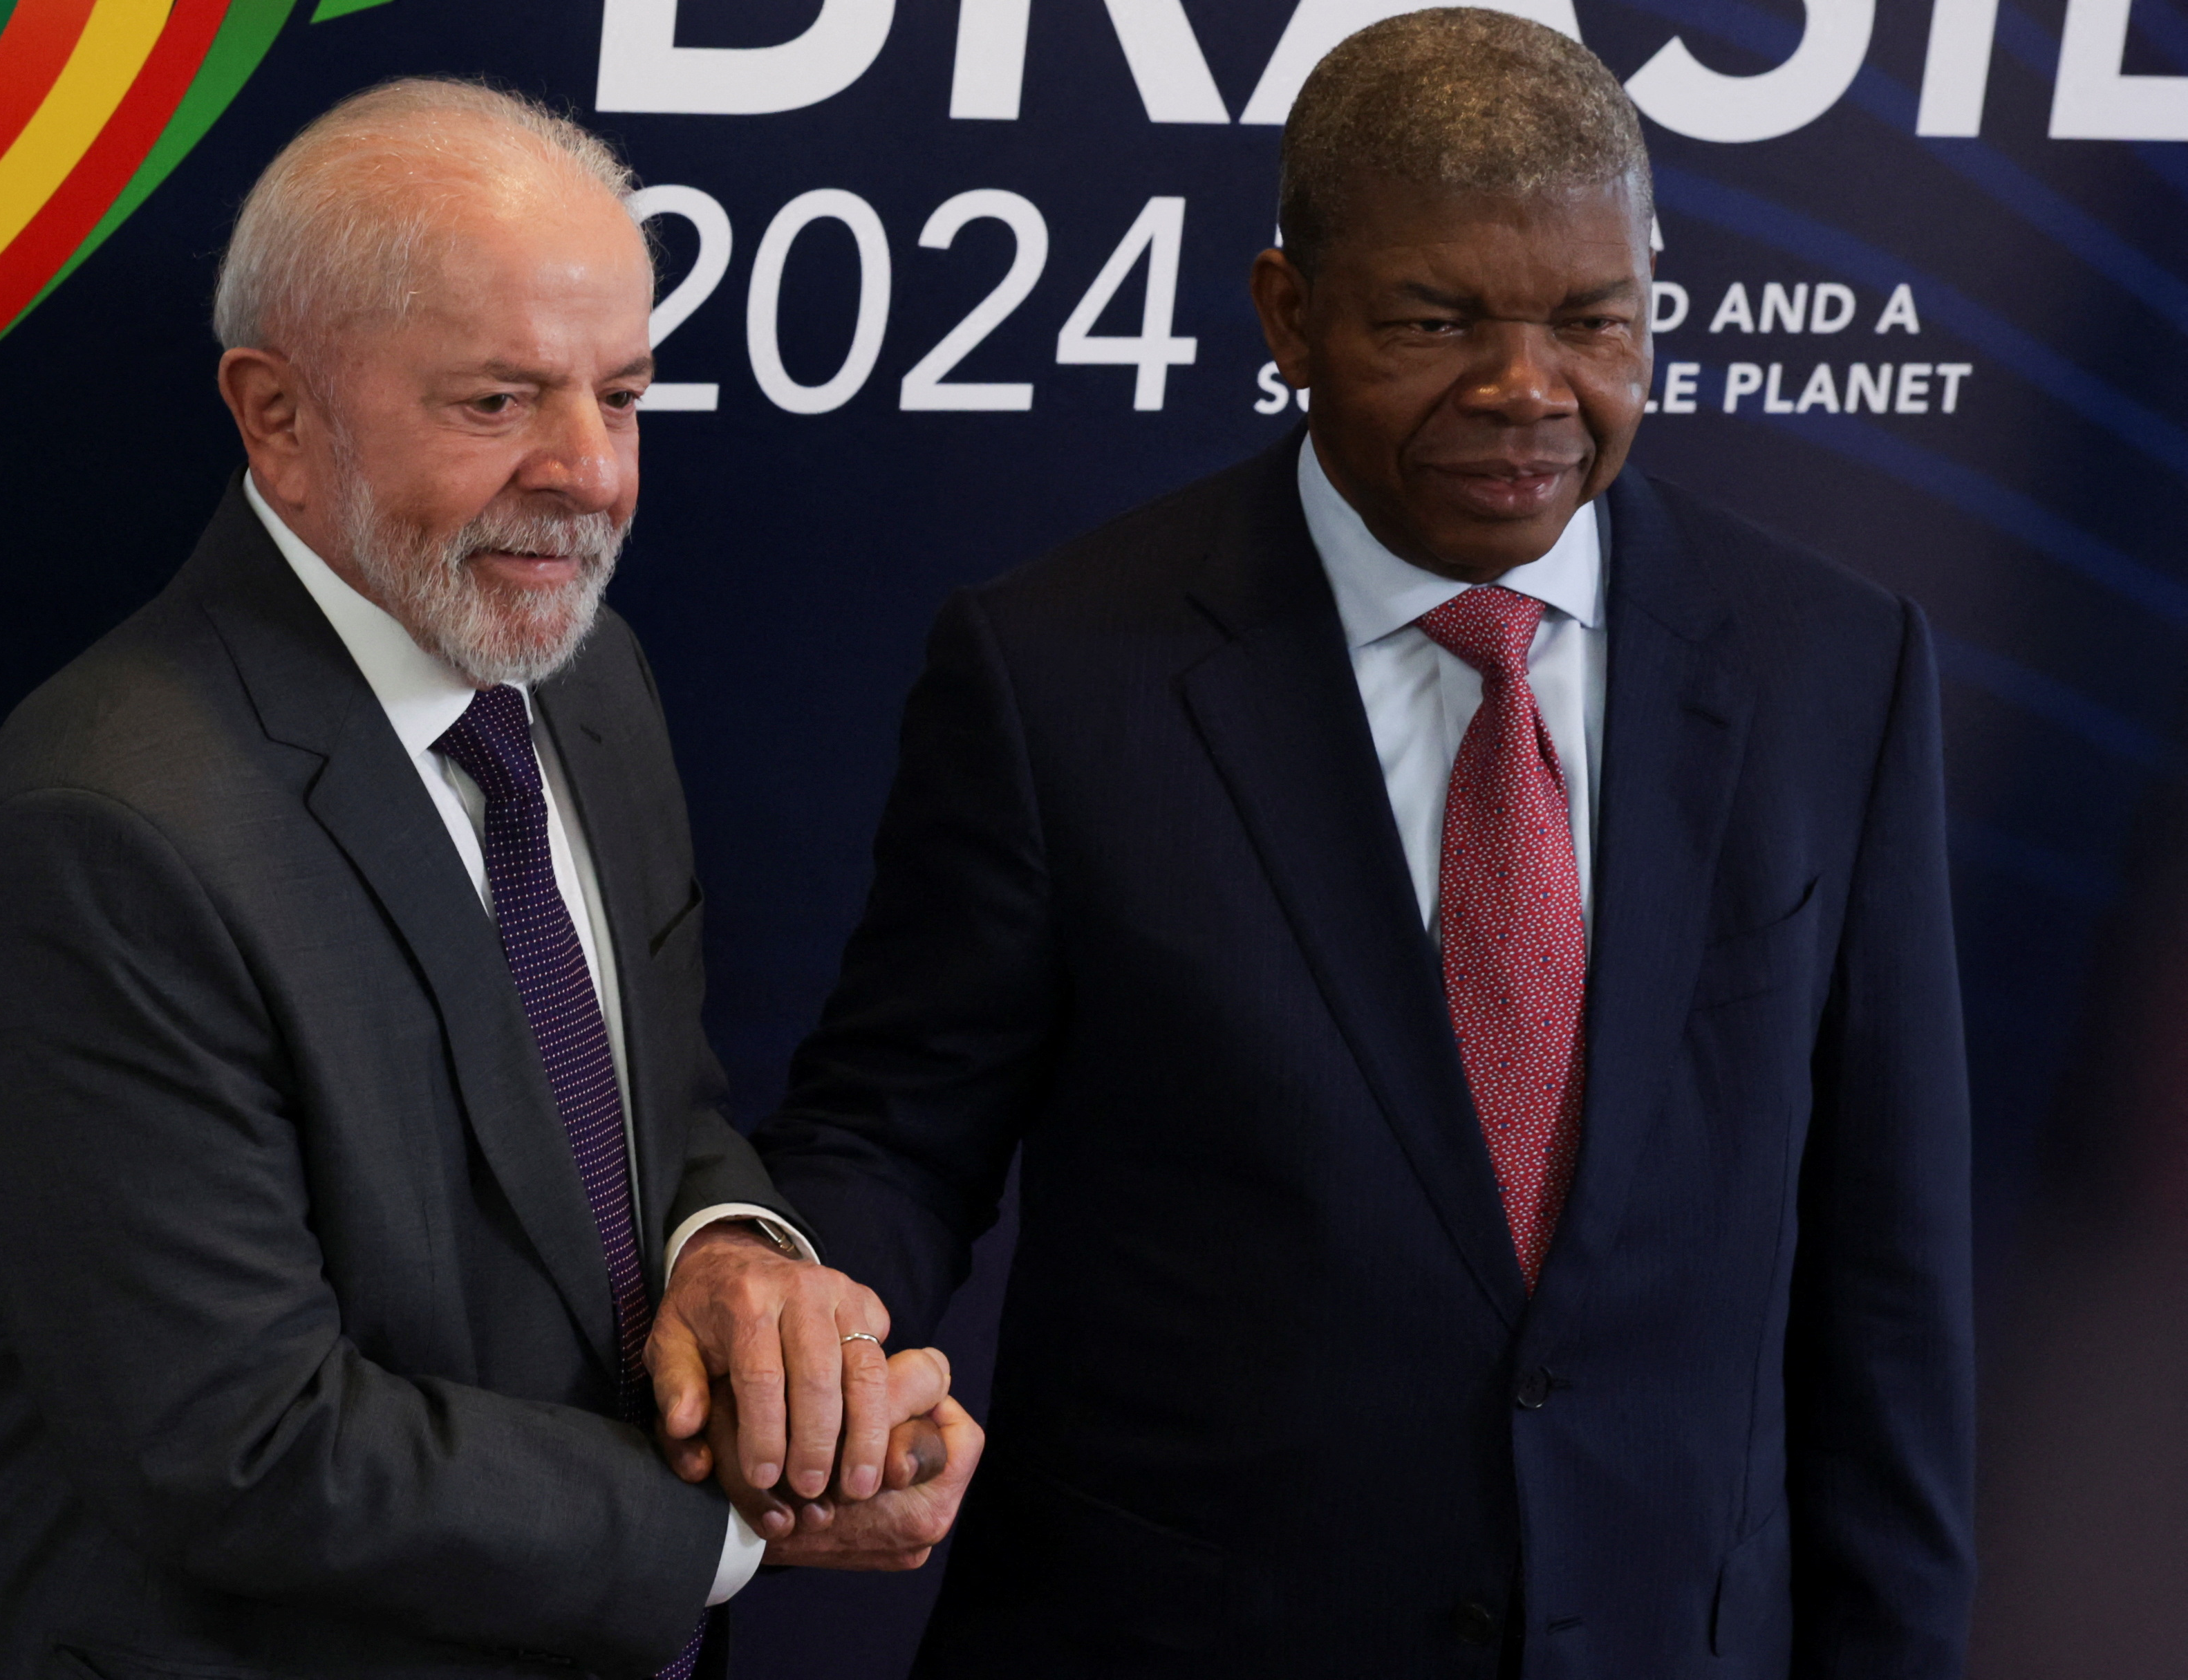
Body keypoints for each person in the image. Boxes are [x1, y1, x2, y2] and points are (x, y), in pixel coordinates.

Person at [727, 11, 1975, 1675]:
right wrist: (798, 1297)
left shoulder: (1839, 665)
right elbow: (897, 1129)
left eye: (1592, 322)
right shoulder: (1055, 674)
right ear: (1291, 316)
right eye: (1437, 320)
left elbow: (1889, 1285)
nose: (1527, 389)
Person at [0, 78, 975, 1680]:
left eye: (623, 395)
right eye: (498, 403)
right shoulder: (105, 831)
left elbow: (646, 1114)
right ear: (275, 412)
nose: (592, 473)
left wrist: (731, 1259)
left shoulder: (589, 677)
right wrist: (755, 1523)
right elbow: (242, 1445)